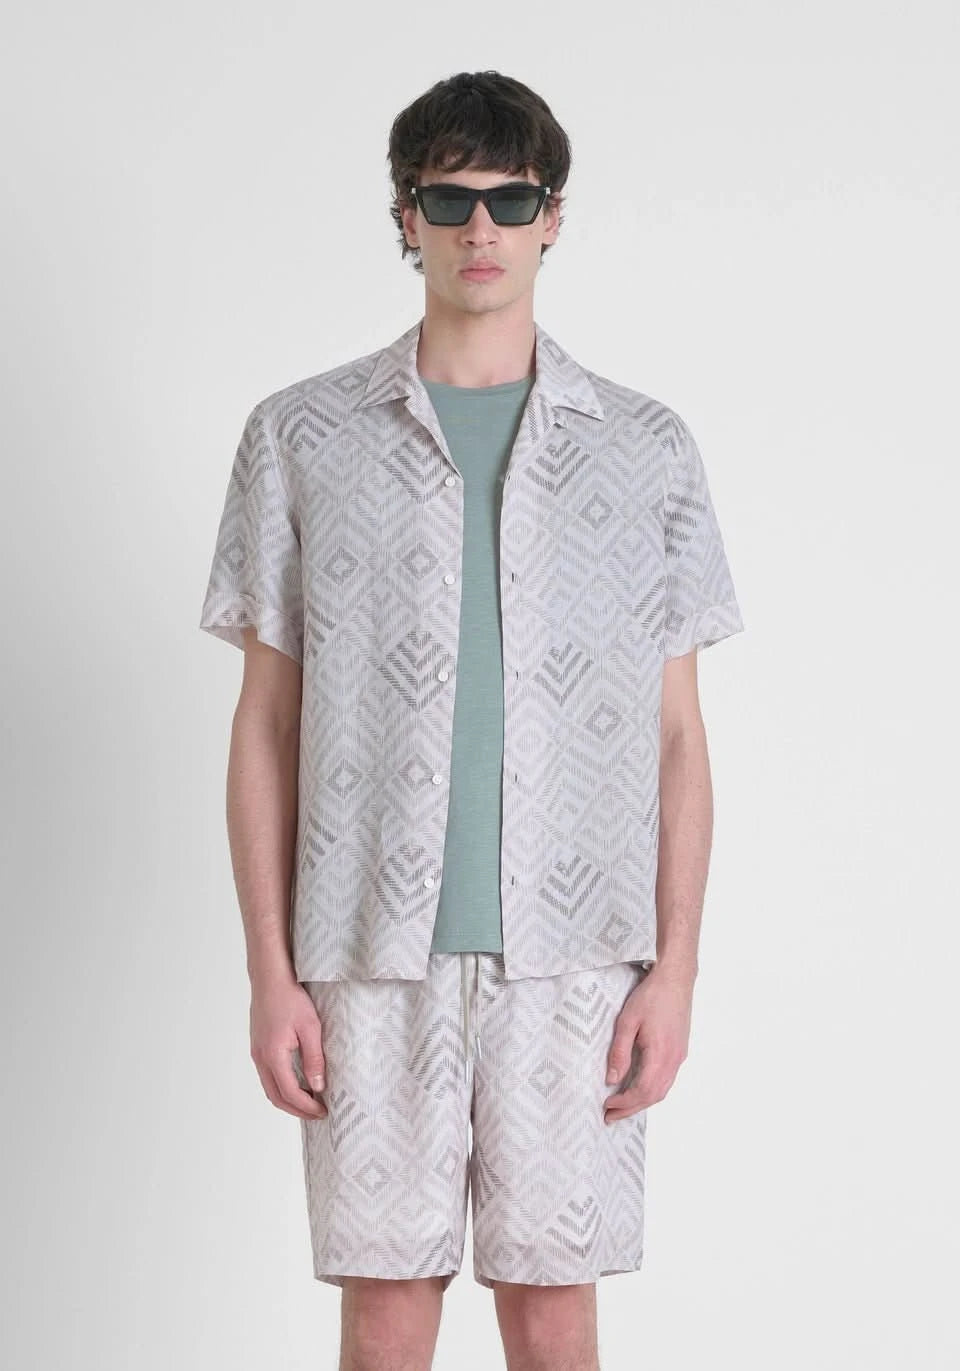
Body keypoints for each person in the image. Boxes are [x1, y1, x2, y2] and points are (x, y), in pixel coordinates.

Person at [199, 69, 745, 1371]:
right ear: (407, 216)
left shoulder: (646, 449)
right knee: (387, 1315)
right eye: (449, 200)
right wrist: (271, 972)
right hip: (366, 957)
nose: (481, 227)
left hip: (579, 962)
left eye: (511, 198)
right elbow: (266, 726)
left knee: (554, 1318)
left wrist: (676, 971)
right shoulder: (300, 437)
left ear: (554, 216)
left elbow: (679, 740)